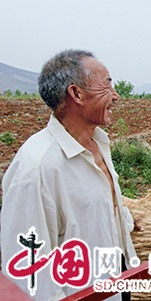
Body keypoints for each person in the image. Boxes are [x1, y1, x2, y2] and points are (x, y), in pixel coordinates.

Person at [1, 50, 140, 300]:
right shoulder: (37, 167)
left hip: (115, 285)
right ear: (76, 94)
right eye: (107, 85)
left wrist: (124, 220)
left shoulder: (98, 143)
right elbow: (27, 274)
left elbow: (89, 210)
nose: (116, 96)